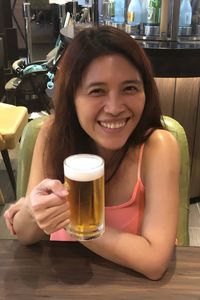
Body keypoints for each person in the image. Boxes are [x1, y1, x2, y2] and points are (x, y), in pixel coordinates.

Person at [4, 26, 180, 280]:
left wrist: (71, 221)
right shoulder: (53, 134)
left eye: (129, 88)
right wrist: (32, 210)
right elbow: (26, 235)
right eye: (97, 90)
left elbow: (154, 263)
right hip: (64, 282)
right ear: (72, 97)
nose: (115, 107)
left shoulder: (158, 147)